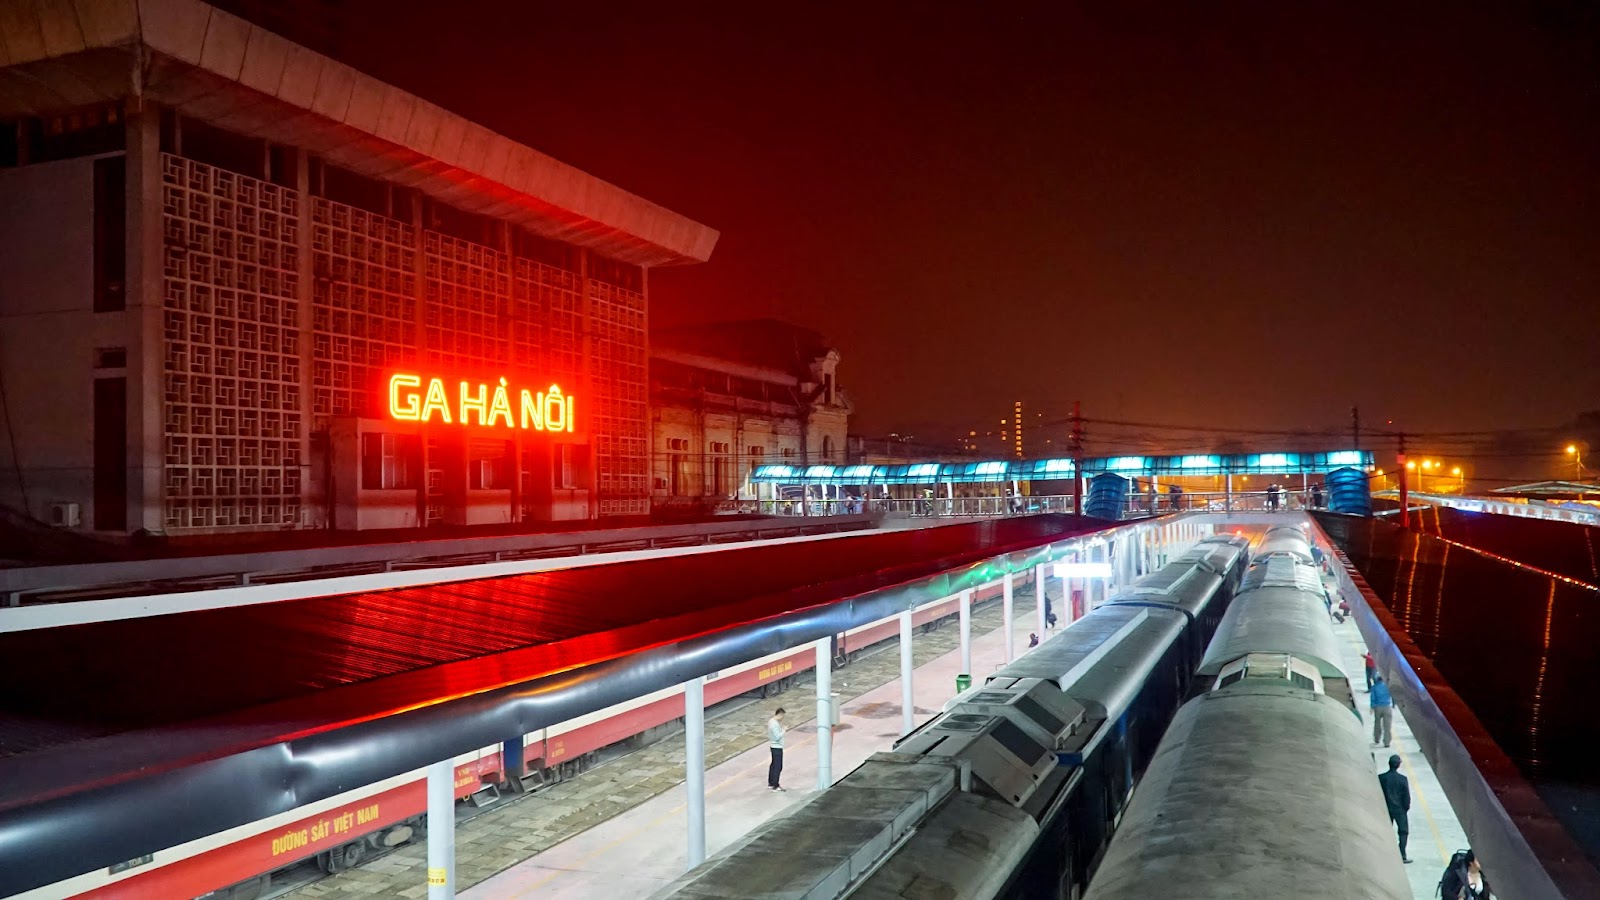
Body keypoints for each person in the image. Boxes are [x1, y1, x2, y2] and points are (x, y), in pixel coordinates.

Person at [1378, 754, 1413, 864]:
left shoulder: (1381, 778)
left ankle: (1384, 853)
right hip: (1400, 809)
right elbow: (1406, 796)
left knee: (1385, 831)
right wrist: (1405, 808)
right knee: (1403, 832)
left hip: (1386, 808)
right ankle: (1402, 854)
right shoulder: (1402, 779)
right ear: (1398, 765)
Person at [1371, 674, 1395, 747]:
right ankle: (1387, 742)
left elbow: (1373, 698)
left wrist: (1372, 707)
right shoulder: (1388, 686)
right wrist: (1393, 704)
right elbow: (1393, 695)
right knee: (1387, 726)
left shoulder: (1374, 687)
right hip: (1387, 707)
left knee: (1377, 723)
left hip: (1378, 707)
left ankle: (1377, 738)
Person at [766, 708, 787, 791]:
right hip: (777, 747)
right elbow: (777, 737)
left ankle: (771, 783)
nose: (783, 718)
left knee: (773, 765)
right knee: (778, 766)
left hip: (773, 746)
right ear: (780, 714)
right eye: (783, 716)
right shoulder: (774, 724)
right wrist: (784, 730)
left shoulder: (771, 721)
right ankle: (775, 785)